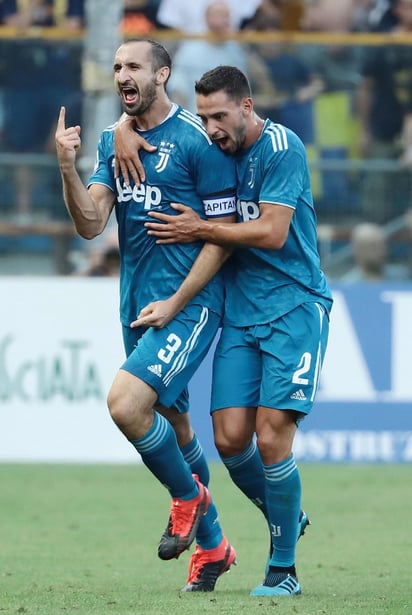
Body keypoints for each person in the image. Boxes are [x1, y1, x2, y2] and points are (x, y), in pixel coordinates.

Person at [135, 65, 333, 596]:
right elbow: (155, 120)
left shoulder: (282, 147)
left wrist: (200, 229)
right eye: (203, 117)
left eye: (219, 116)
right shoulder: (212, 148)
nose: (211, 128)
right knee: (228, 439)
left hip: (294, 306)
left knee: (271, 435)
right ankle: (288, 515)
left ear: (247, 107)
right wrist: (128, 132)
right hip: (242, 312)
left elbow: (272, 232)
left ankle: (283, 570)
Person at [55, 39, 238, 592]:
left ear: (162, 73)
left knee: (125, 404)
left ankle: (188, 497)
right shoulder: (115, 139)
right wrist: (67, 166)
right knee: (177, 427)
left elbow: (223, 237)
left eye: (132, 66)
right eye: (115, 67)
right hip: (137, 307)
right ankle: (213, 549)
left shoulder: (198, 141)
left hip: (189, 306)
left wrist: (179, 302)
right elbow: (91, 225)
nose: (121, 75)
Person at [166, 1, 248, 113]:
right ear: (206, 18)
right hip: (197, 117)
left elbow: (243, 87)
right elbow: (178, 89)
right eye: (219, 14)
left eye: (226, 15)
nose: (223, 20)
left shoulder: (236, 50)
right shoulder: (189, 50)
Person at [342, 222, 410, 281]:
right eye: (372, 246)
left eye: (382, 245)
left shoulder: (403, 278)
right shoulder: (348, 286)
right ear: (357, 250)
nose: (381, 251)